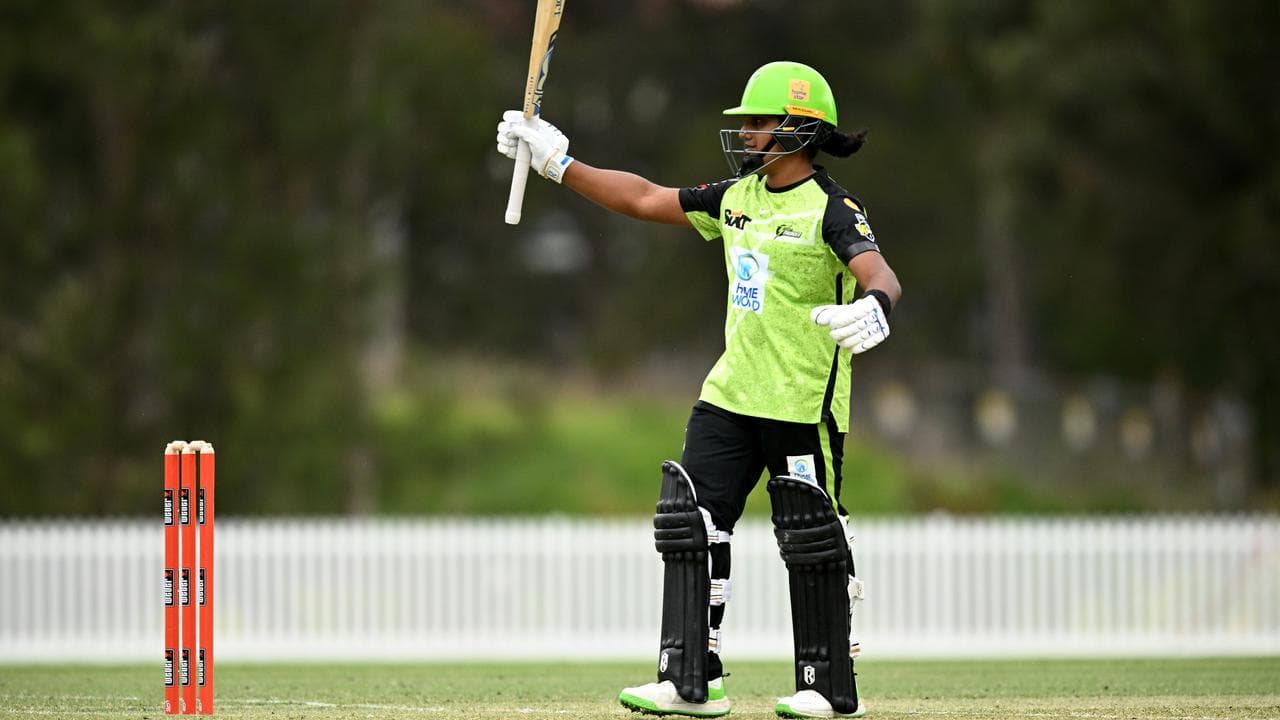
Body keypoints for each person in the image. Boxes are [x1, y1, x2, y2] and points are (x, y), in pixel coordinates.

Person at [496, 60, 901, 719]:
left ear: (801, 129)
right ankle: (689, 680)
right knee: (691, 524)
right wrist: (559, 164)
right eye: (745, 122)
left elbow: (879, 271)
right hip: (730, 396)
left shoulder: (832, 208)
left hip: (803, 402)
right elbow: (644, 198)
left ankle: (827, 685)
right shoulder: (736, 199)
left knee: (810, 533)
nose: (747, 133)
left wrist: (876, 305)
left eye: (760, 122)